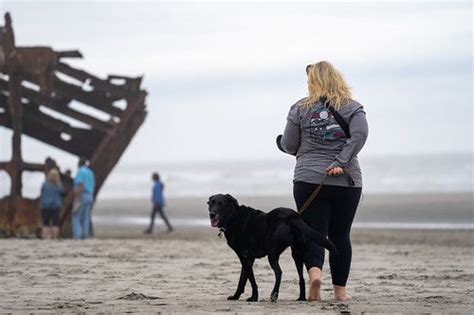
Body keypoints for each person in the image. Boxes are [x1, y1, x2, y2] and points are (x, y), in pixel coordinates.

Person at [279, 61, 368, 301]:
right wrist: (340, 161)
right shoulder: (353, 107)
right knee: (341, 235)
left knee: (313, 232)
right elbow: (359, 135)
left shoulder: (299, 108)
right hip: (347, 183)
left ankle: (315, 276)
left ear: (312, 82)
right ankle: (340, 292)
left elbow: (289, 144)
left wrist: (281, 144)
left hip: (309, 180)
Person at [72, 157, 95, 240]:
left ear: (78, 164)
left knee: (76, 216)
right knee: (86, 217)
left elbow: (80, 185)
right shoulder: (90, 172)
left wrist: (77, 198)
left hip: (82, 196)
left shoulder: (80, 172)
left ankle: (77, 236)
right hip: (90, 195)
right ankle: (85, 236)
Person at [40, 169, 64, 239]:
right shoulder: (59, 185)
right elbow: (63, 193)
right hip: (56, 206)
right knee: (55, 223)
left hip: (45, 205)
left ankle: (45, 237)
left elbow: (41, 194)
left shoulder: (44, 184)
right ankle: (55, 237)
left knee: (45, 223)